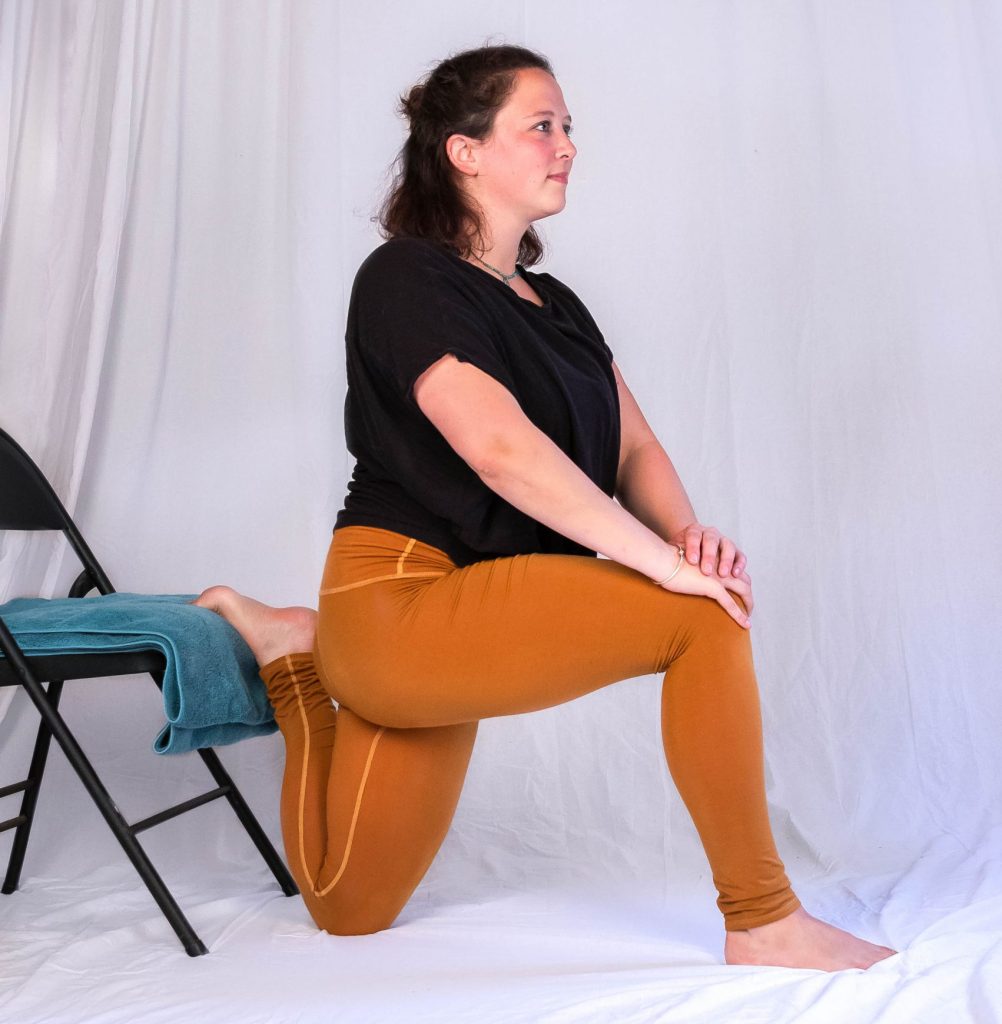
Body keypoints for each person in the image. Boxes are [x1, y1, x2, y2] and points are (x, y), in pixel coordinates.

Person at [196, 44, 897, 971]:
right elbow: (499, 450)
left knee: (348, 910)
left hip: (481, 606)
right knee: (700, 622)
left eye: (568, 127)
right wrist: (662, 569)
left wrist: (688, 539)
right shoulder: (405, 278)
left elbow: (633, 448)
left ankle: (293, 649)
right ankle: (763, 918)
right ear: (465, 151)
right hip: (399, 606)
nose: (566, 145)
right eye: (541, 126)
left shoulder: (556, 304)